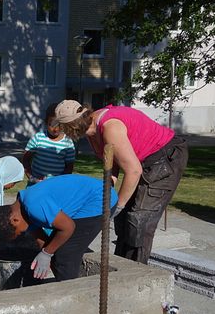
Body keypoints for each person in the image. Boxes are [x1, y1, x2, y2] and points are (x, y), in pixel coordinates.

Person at [54, 100, 188, 263]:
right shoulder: (92, 130)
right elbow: (114, 161)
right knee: (123, 219)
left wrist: (118, 206)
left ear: (72, 126)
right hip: (144, 161)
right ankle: (121, 265)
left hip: (164, 158)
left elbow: (133, 170)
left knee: (139, 220)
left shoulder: (110, 128)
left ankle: (134, 274)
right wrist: (108, 193)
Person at [0, 174, 118, 281]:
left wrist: (47, 253)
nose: (23, 233)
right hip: (87, 199)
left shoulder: (34, 207)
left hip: (100, 199)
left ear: (14, 220)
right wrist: (46, 253)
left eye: (20, 233)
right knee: (56, 248)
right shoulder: (22, 209)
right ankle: (62, 282)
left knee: (65, 253)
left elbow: (68, 227)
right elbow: (39, 237)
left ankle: (71, 294)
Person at [22, 103, 75, 185]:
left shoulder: (68, 143)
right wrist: (31, 177)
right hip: (35, 185)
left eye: (59, 124)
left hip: (56, 186)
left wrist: (60, 182)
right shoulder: (38, 138)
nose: (56, 129)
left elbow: (69, 167)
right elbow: (26, 159)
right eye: (52, 124)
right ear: (46, 123)